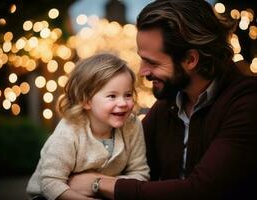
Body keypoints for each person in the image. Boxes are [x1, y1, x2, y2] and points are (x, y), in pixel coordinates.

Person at [68, 0, 257, 199]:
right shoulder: (169, 104)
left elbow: (200, 191)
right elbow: (124, 165)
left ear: (190, 59)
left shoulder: (247, 103)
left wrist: (99, 184)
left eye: (152, 62)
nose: (142, 71)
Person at [26, 53, 150, 200]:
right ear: (86, 101)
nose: (123, 103)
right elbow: (50, 183)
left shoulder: (132, 125)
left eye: (128, 94)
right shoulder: (69, 130)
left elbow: (140, 174)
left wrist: (102, 184)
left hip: (104, 194)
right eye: (112, 96)